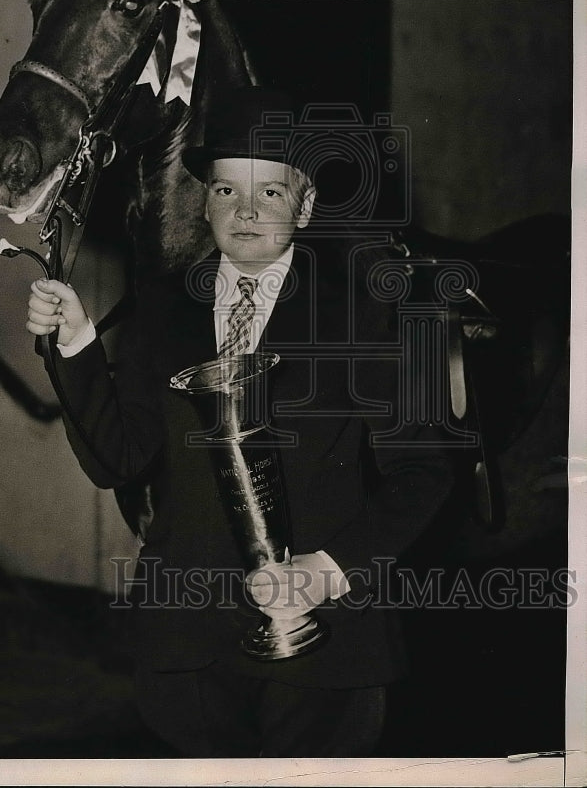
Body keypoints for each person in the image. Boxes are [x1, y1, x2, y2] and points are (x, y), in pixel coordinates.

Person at [24, 87, 454, 758]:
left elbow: (423, 471)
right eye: (225, 192)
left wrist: (325, 571)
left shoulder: (361, 318)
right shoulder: (162, 312)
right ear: (205, 203)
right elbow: (117, 461)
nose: (244, 211)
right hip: (186, 645)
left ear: (305, 206)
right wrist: (76, 348)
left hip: (322, 636)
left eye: (270, 194)